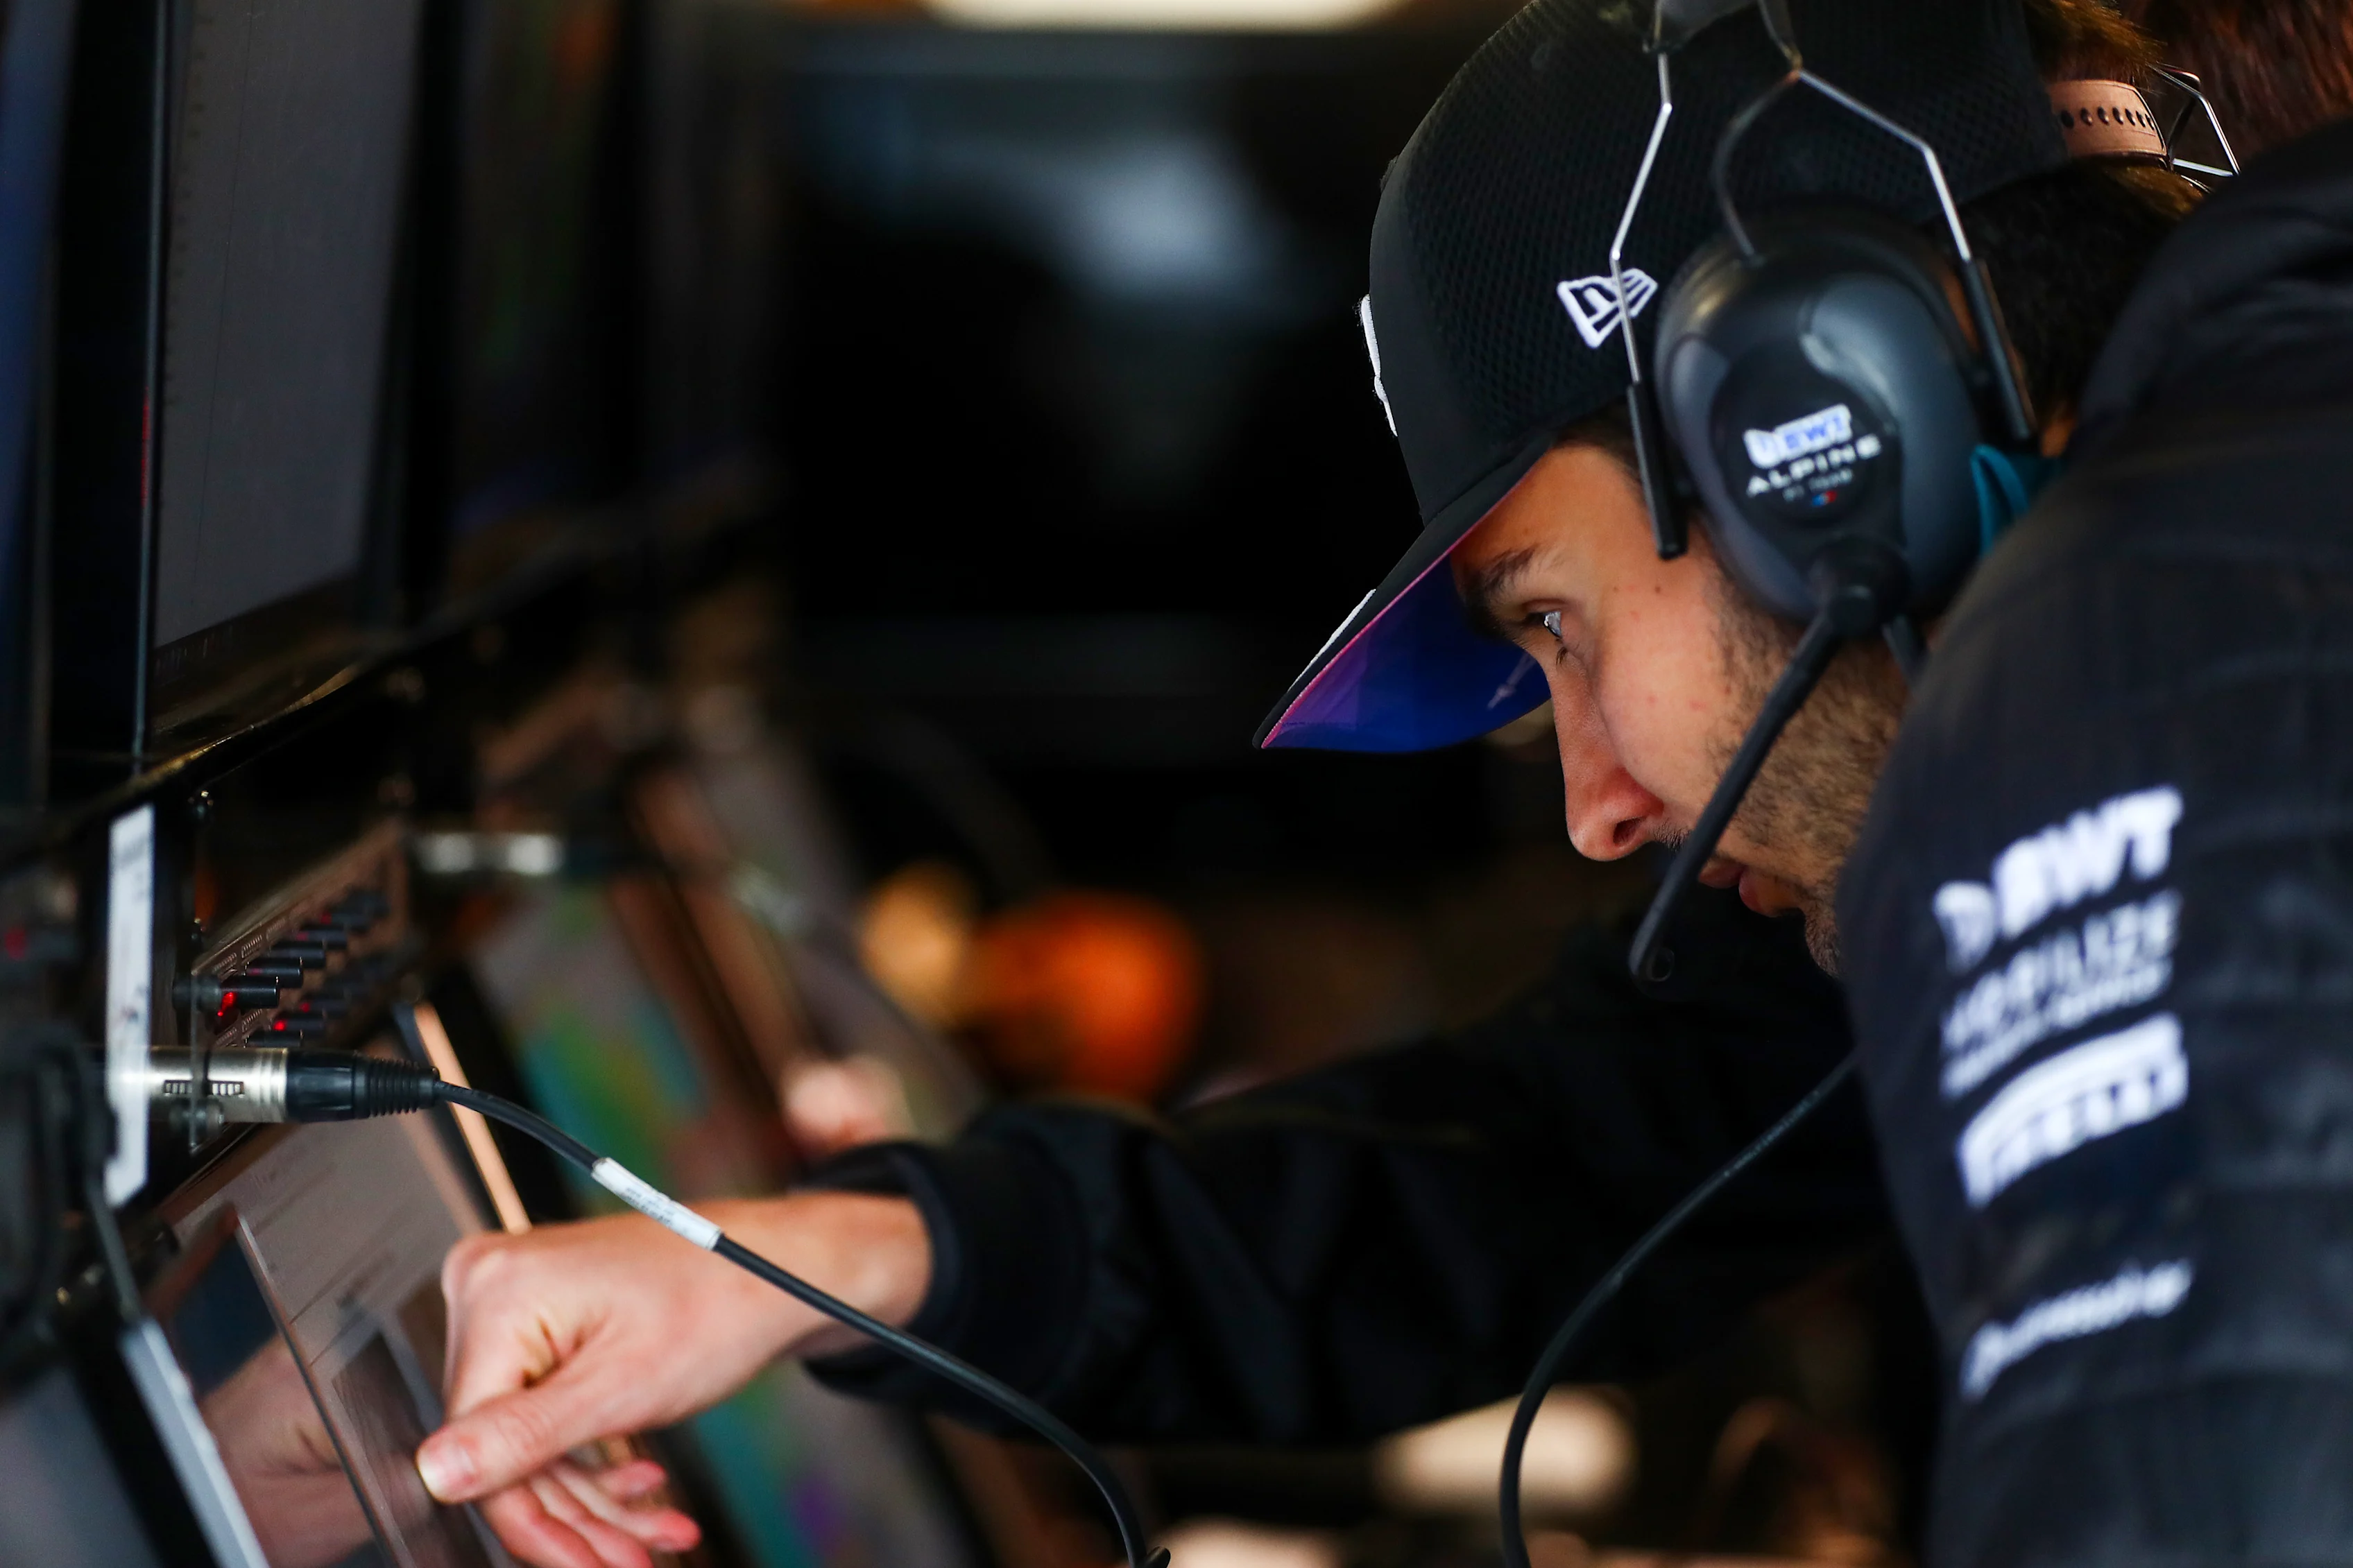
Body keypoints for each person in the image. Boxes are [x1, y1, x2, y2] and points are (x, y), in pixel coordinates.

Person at [414, 2, 2353, 1565]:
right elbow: (1571, 1150)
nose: (1594, 802)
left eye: (1556, 627)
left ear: (1820, 431)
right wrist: (839, 1258)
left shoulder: (2156, 664)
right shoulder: (2213, 615)